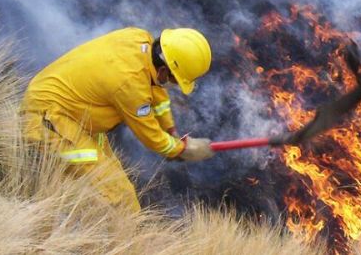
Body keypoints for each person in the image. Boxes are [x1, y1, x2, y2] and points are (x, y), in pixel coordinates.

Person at [21, 27, 216, 212]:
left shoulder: (139, 39)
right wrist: (182, 150)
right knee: (119, 197)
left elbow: (157, 92)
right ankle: (106, 241)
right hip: (50, 119)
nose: (172, 85)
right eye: (174, 80)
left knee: (109, 186)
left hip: (77, 115)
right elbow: (151, 136)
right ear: (164, 71)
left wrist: (172, 130)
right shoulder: (129, 85)